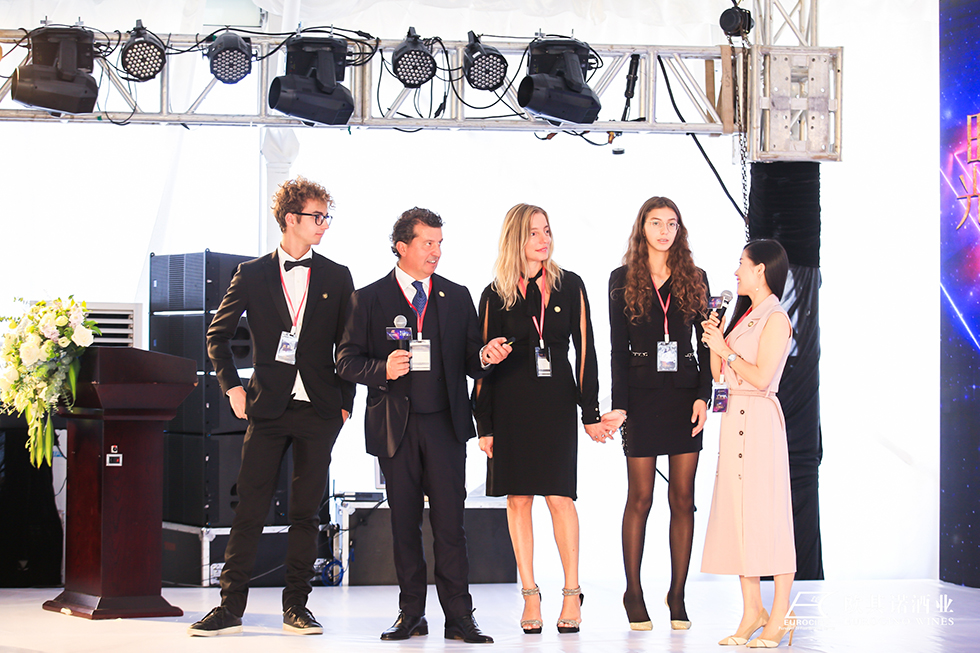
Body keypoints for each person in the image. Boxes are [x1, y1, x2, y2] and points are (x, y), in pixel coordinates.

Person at [189, 176, 355, 636]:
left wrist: (345, 402)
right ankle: (230, 607)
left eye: (326, 217)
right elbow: (217, 336)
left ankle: (297, 606)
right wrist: (232, 388)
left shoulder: (338, 275)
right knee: (250, 509)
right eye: (317, 217)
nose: (324, 224)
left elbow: (350, 344)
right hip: (266, 407)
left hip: (320, 409)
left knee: (307, 512)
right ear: (290, 219)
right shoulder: (252, 273)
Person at [336, 207, 509, 644]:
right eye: (427, 243)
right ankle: (411, 613)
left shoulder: (457, 296)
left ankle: (460, 616)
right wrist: (381, 369)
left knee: (451, 526)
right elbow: (345, 361)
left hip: (445, 427)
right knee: (404, 525)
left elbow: (471, 359)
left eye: (439, 243)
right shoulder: (368, 298)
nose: (436, 251)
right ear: (402, 247)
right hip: (396, 428)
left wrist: (486, 356)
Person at [473, 203, 605, 635]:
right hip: (510, 407)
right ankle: (530, 594)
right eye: (534, 232)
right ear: (516, 238)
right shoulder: (494, 294)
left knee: (560, 497)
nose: (544, 239)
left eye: (547, 230)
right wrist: (484, 425)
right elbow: (481, 365)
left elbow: (585, 350)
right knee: (518, 500)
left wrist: (590, 411)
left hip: (556, 405)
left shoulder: (570, 285)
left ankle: (571, 591)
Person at [600, 197, 711, 631]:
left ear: (679, 230)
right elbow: (617, 349)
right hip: (641, 397)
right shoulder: (621, 279)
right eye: (656, 223)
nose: (664, 231)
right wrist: (620, 405)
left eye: (671, 224)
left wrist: (704, 395)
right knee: (641, 498)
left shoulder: (695, 277)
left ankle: (677, 593)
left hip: (684, 396)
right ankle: (633, 591)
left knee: (683, 499)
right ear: (642, 228)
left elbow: (706, 343)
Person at [699, 239, 796, 648]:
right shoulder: (743, 317)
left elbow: (761, 377)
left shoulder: (776, 318)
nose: (736, 271)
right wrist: (715, 338)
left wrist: (726, 350)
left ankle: (781, 614)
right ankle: (751, 610)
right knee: (739, 516)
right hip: (733, 418)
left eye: (742, 263)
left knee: (769, 517)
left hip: (759, 420)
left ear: (761, 270)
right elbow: (720, 374)